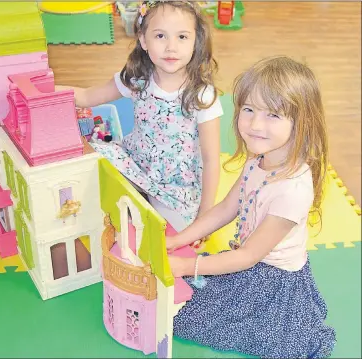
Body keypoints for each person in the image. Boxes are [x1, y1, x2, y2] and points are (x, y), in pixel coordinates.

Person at [166, 56, 336, 359]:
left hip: (274, 284)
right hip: (245, 263)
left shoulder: (292, 191)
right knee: (175, 303)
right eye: (248, 110)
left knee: (183, 320)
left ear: (302, 122)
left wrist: (185, 266)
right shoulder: (259, 158)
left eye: (273, 115)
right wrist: (179, 240)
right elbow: (225, 209)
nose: (255, 125)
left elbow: (246, 257)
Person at [57, 1, 223, 236]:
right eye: (160, 36)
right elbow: (86, 96)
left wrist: (206, 215)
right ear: (144, 40)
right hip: (135, 163)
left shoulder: (202, 95)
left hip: (175, 185)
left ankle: (141, 202)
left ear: (196, 42)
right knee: (92, 157)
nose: (171, 47)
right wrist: (44, 89)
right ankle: (135, 199)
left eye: (182, 37)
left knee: (182, 234)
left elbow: (210, 160)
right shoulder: (137, 79)